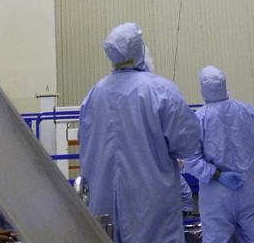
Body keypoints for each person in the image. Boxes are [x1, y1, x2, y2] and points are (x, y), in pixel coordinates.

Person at [79, 22, 202, 243]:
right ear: (139, 49)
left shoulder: (94, 95)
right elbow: (187, 144)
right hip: (151, 209)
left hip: (103, 208)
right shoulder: (161, 91)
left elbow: (86, 147)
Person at [183, 66, 254, 243]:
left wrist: (219, 175)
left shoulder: (198, 119)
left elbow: (192, 161)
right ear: (225, 85)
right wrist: (253, 176)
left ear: (202, 89)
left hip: (217, 197)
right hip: (250, 193)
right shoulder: (249, 112)